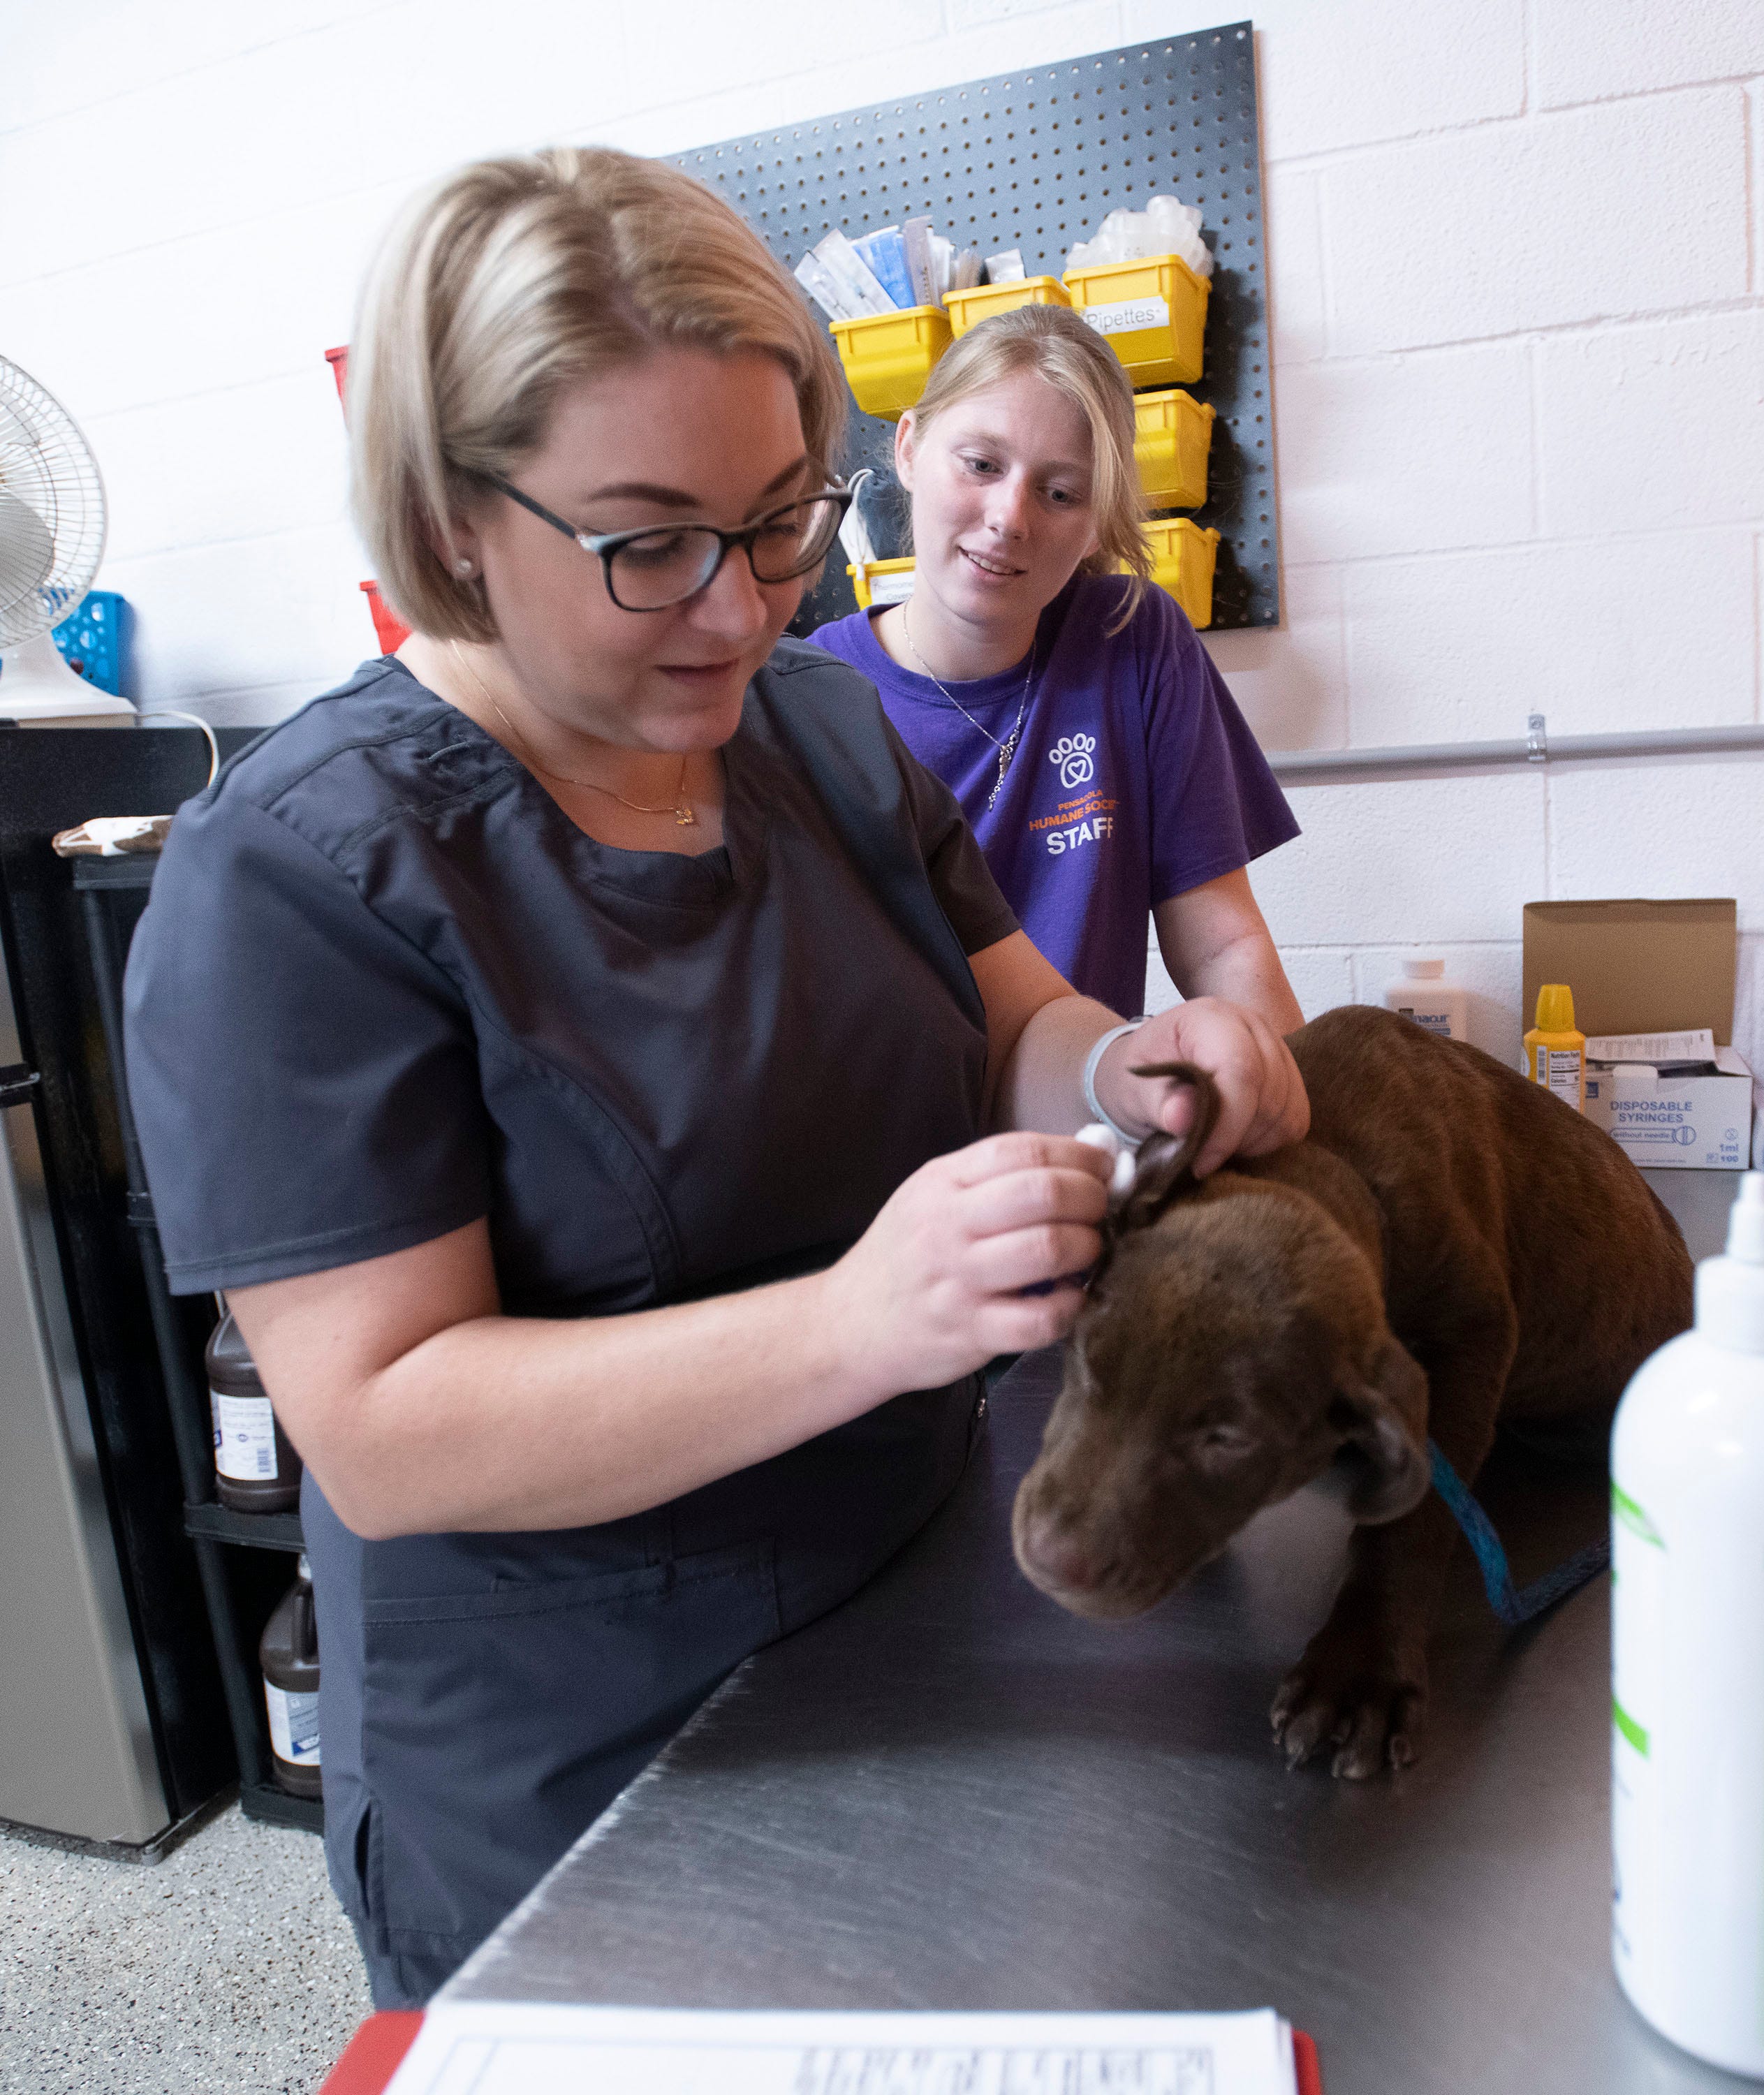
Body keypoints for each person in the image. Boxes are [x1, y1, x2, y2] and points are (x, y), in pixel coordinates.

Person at [122, 149, 1309, 2008]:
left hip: (912, 1614)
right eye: (650, 543)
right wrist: (858, 1322)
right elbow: (383, 1421)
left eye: (777, 524)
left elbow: (1008, 1025)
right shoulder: (296, 877)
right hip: (572, 1766)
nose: (742, 608)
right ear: (451, 521)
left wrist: (1132, 1065)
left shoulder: (820, 731)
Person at [810, 304, 1303, 1032]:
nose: (1010, 518)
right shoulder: (810, 696)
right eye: (981, 465)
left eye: (1061, 493)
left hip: (1087, 1091)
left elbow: (1223, 946)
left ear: (1097, 520)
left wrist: (1297, 1094)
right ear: (909, 448)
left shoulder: (1133, 639)